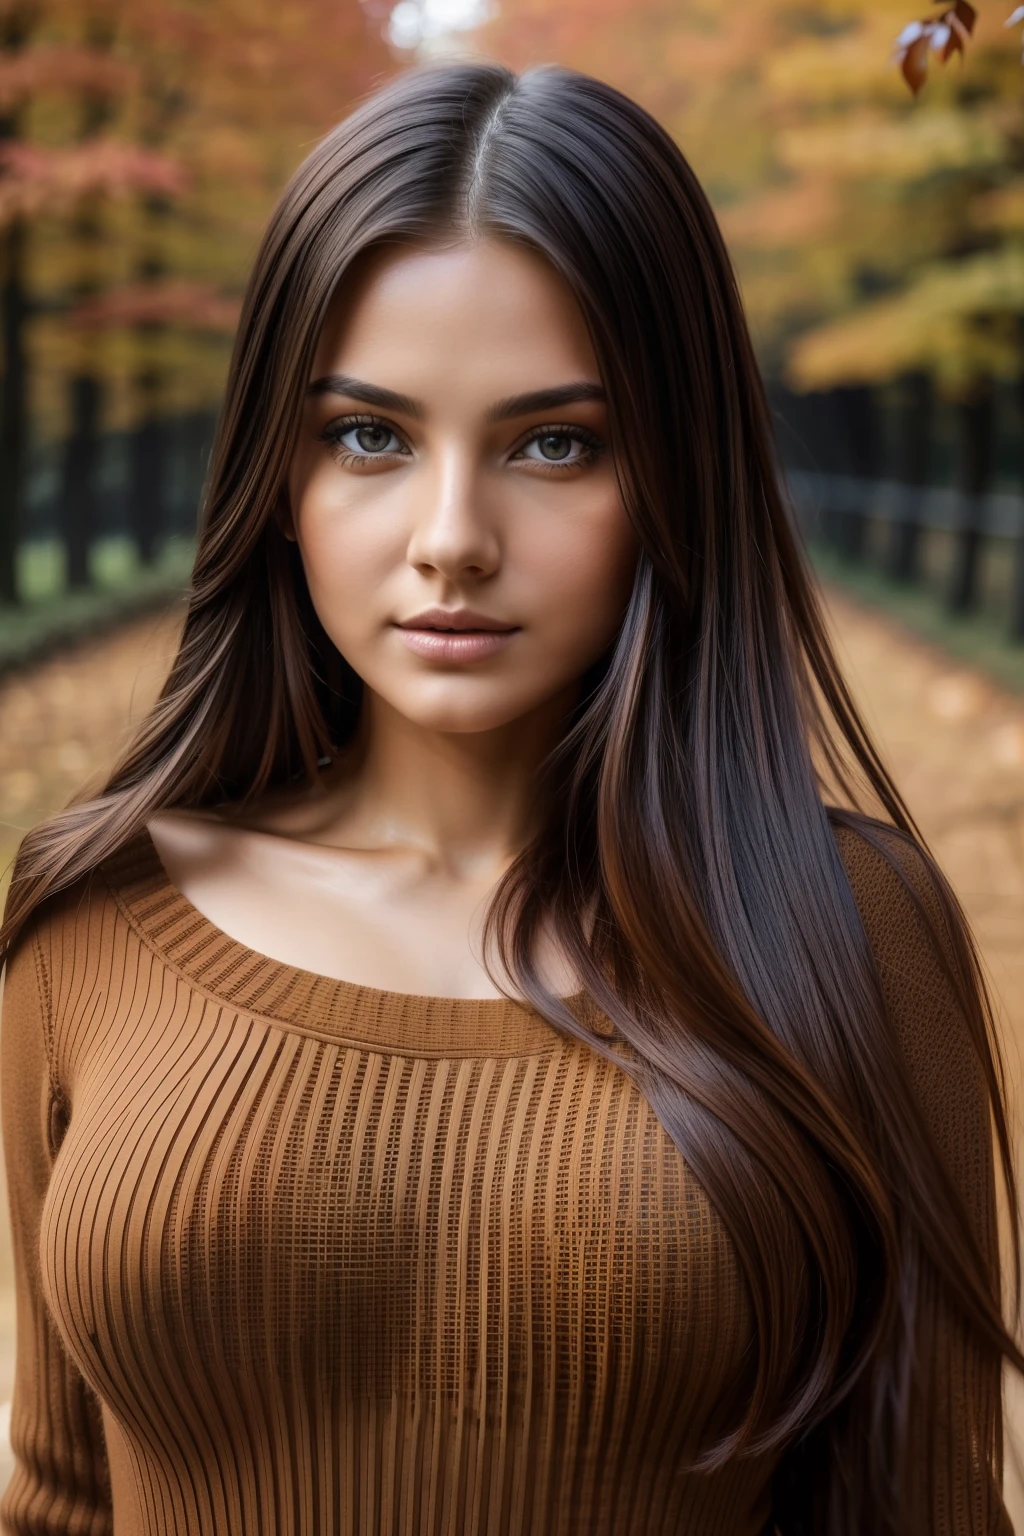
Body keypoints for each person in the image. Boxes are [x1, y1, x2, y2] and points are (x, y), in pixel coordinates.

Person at [0, 60, 1018, 1536]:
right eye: (370, 437)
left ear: (676, 468)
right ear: (274, 472)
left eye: (556, 443)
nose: (451, 539)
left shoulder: (849, 934)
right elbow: (60, 1498)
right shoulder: (92, 919)